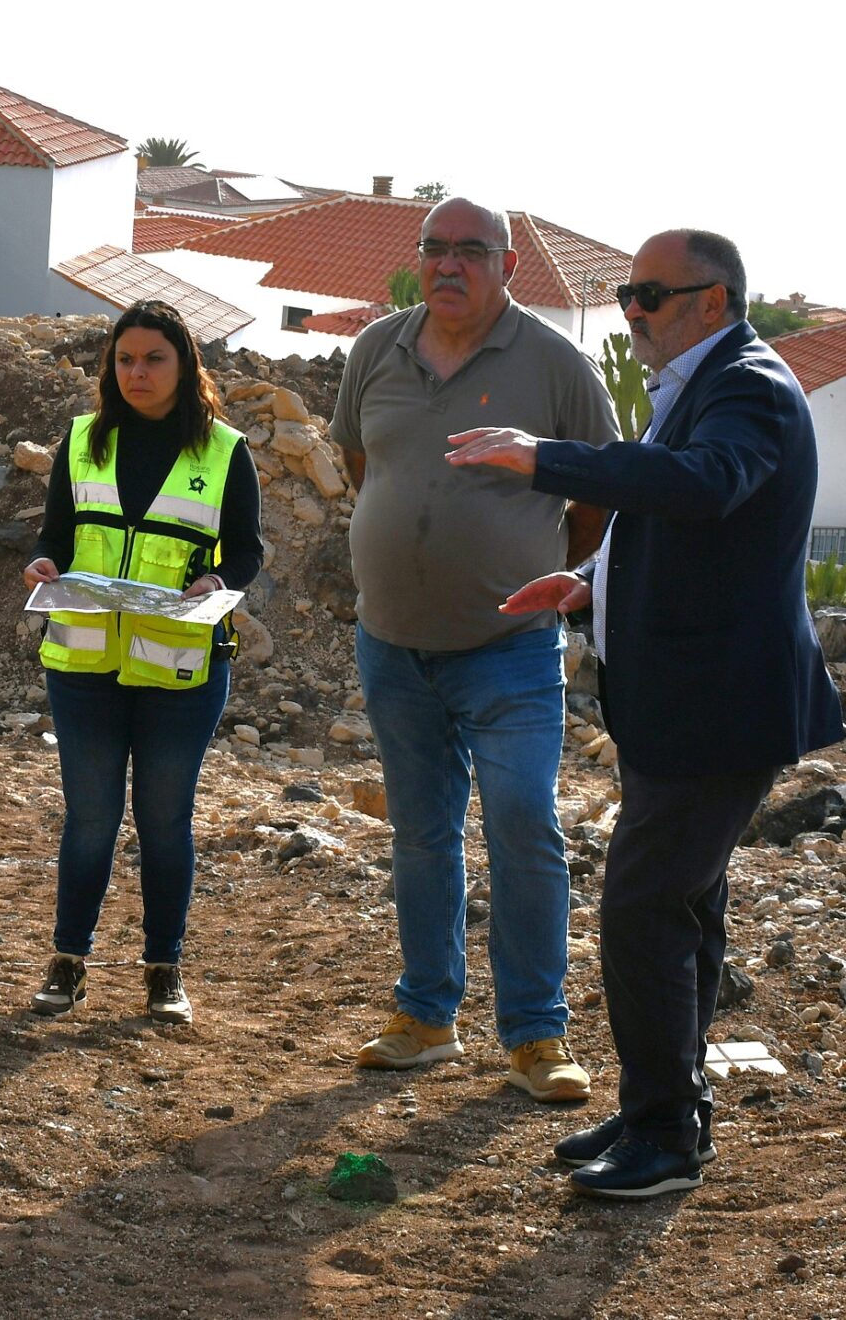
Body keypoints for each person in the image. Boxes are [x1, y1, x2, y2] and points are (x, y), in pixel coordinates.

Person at [445, 227, 843, 1199]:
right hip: (685, 703)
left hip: (720, 710)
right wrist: (587, 584)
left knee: (641, 909)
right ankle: (665, 1107)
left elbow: (705, 489)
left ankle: (666, 1137)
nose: (630, 315)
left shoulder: (750, 384)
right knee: (684, 909)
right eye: (623, 296)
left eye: (647, 297)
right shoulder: (706, 386)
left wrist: (546, 459)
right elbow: (687, 528)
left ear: (713, 300)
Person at [330, 198, 617, 1102]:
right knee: (420, 833)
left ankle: (536, 1034)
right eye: (435, 249)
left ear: (507, 266)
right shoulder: (377, 347)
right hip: (393, 645)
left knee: (524, 825)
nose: (448, 265)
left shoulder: (557, 366)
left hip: (510, 650)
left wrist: (543, 565)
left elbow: (597, 491)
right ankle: (426, 1016)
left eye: (470, 252)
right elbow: (359, 464)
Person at [21, 300, 263, 1024]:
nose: (137, 372)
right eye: (124, 359)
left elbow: (246, 550)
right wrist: (43, 563)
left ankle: (165, 970)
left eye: (154, 358)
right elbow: (55, 536)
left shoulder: (224, 450)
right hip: (84, 663)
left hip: (180, 669)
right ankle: (68, 961)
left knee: (165, 820)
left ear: (184, 365)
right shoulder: (81, 441)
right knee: (90, 818)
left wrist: (219, 582)